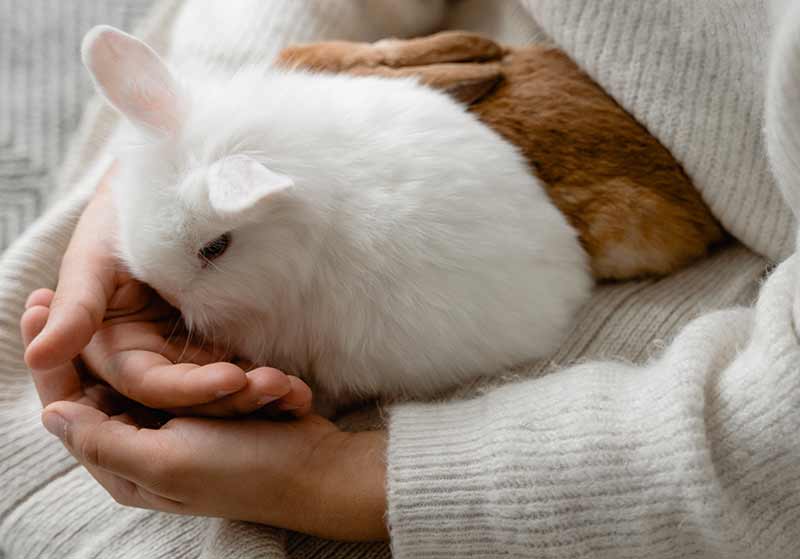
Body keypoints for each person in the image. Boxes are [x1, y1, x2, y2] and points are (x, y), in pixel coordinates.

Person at [7, 0, 800, 557]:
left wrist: (338, 482)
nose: (176, 295)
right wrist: (148, 171)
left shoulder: (277, 209)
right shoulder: (250, 169)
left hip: (640, 376)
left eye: (212, 253)